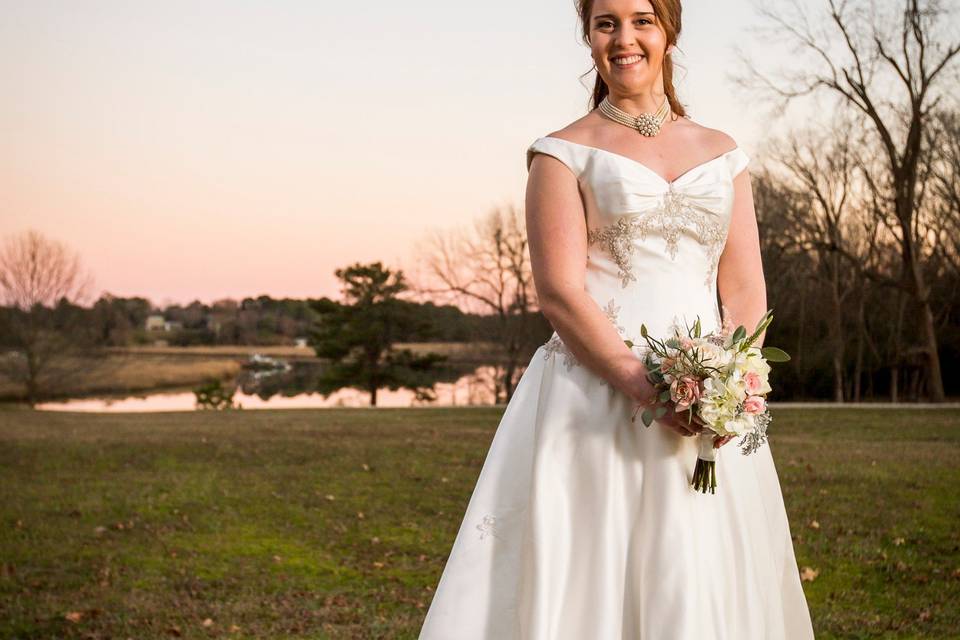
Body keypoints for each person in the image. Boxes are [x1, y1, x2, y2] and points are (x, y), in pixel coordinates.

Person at [418, 0, 815, 637]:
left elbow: (744, 291)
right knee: (591, 573)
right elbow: (560, 292)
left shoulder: (725, 155)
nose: (623, 38)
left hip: (708, 402)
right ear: (589, 38)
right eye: (606, 23)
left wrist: (729, 388)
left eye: (641, 20)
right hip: (594, 399)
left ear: (669, 30)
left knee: (698, 567)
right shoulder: (561, 154)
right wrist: (647, 388)